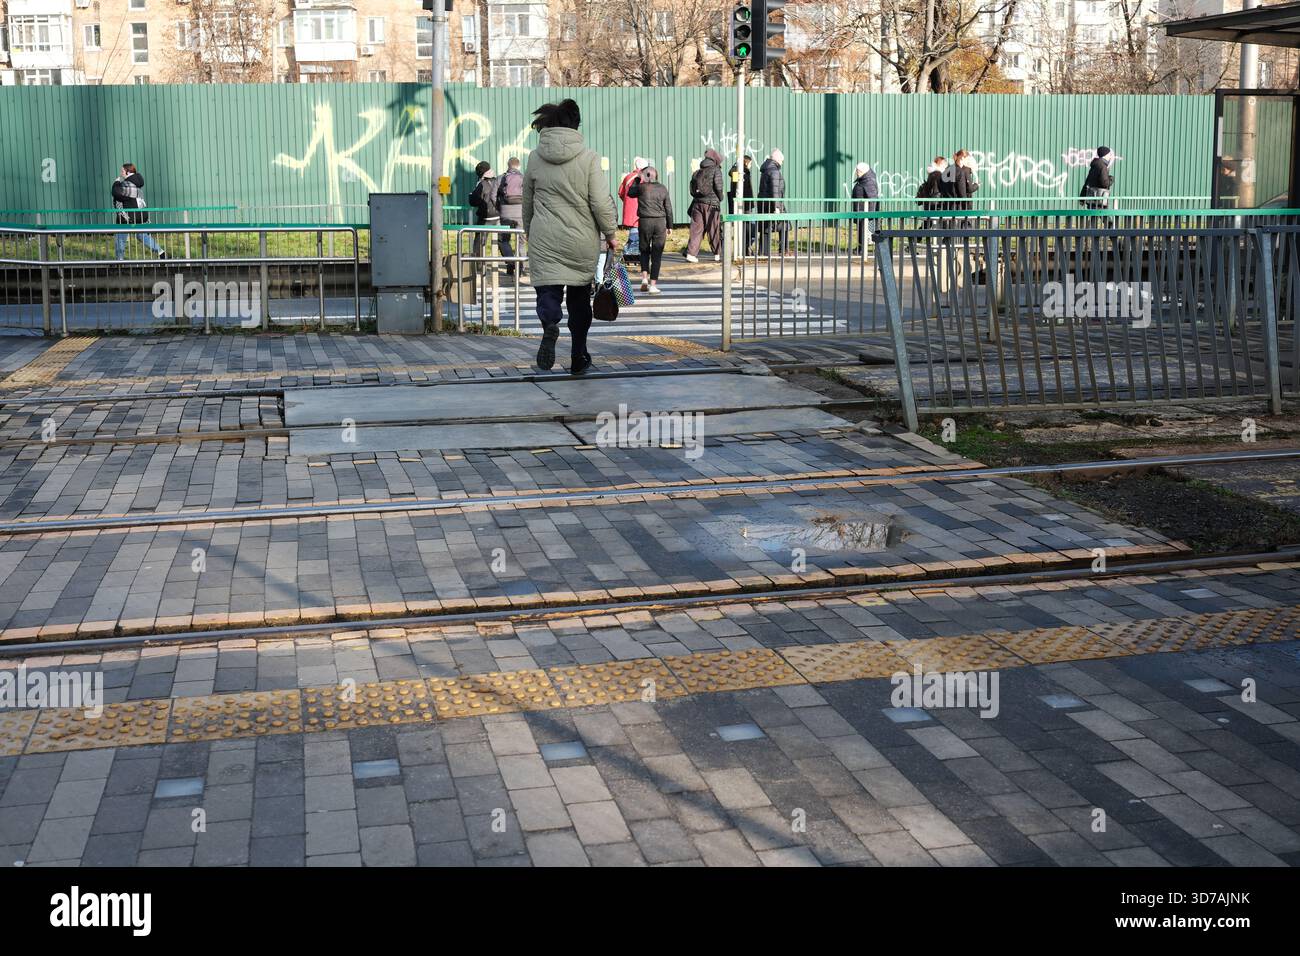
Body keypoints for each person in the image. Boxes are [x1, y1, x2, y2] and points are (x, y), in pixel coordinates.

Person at [522, 98, 617, 376]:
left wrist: (530, 231)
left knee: (548, 291)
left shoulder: (534, 157)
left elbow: (527, 202)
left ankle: (550, 322)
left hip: (545, 237)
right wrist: (610, 233)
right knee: (579, 298)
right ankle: (579, 355)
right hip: (580, 239)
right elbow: (600, 202)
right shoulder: (589, 157)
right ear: (576, 125)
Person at [628, 166, 673, 295]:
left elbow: (630, 193)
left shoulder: (641, 188)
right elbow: (668, 208)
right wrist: (670, 226)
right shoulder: (663, 188)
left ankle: (644, 279)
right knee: (657, 254)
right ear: (655, 176)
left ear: (645, 176)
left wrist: (637, 179)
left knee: (644, 250)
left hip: (645, 221)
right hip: (660, 222)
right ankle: (653, 285)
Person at [112, 163, 166, 261]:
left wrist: (116, 182)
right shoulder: (137, 183)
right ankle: (160, 252)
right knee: (142, 235)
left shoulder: (127, 184)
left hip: (128, 216)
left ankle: (119, 261)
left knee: (120, 237)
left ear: (128, 172)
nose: (121, 173)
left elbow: (116, 192)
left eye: (122, 171)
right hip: (140, 215)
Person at [685, 148, 725, 263]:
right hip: (712, 205)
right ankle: (717, 254)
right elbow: (718, 186)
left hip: (697, 204)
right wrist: (720, 197)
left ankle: (691, 254)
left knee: (696, 229)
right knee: (713, 229)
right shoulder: (716, 170)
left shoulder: (698, 171)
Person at [495, 156, 524, 276]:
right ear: (519, 166)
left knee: (504, 240)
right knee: (521, 241)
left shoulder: (501, 178)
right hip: (521, 213)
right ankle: (520, 266)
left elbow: (492, 196)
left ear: (508, 165)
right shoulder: (524, 178)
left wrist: (499, 207)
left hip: (505, 213)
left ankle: (511, 263)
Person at [469, 160, 501, 267]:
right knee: (502, 241)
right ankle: (512, 264)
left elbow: (474, 201)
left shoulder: (481, 184)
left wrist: (470, 195)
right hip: (498, 216)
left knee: (479, 241)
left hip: (485, 217)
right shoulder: (497, 181)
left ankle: (478, 265)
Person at [758, 149, 789, 256]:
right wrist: (777, 207)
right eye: (782, 160)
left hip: (764, 204)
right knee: (784, 224)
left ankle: (763, 252)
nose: (782, 163)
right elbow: (775, 190)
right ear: (777, 159)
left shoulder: (766, 169)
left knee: (765, 227)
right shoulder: (774, 171)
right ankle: (783, 249)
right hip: (774, 204)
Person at [618, 157, 649, 259]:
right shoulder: (646, 178)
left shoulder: (628, 177)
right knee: (638, 233)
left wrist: (628, 202)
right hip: (644, 210)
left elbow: (621, 193)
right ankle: (632, 254)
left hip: (630, 210)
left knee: (634, 230)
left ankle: (632, 252)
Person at [728, 154, 755, 255]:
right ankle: (745, 248)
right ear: (746, 162)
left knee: (746, 227)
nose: (751, 165)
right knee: (748, 228)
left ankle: (745, 248)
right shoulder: (739, 171)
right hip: (744, 204)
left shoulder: (741, 171)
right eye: (750, 163)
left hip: (745, 203)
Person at [850, 161, 880, 252]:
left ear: (863, 172)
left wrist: (870, 215)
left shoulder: (868, 181)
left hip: (866, 212)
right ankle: (861, 247)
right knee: (861, 230)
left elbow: (872, 198)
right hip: (861, 210)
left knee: (867, 230)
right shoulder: (864, 179)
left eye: (858, 171)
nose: (856, 173)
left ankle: (864, 248)